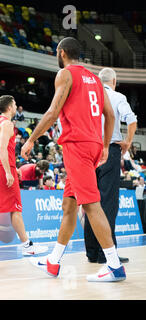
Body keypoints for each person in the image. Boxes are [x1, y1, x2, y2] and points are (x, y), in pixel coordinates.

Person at [21, 37, 126, 282]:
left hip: (77, 146)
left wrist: (31, 139)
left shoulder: (66, 74)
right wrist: (104, 146)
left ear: (62, 52)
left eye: (56, 53)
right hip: (92, 145)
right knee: (69, 205)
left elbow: (52, 111)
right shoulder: (96, 81)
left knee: (90, 204)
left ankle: (114, 265)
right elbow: (110, 115)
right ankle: (53, 261)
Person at [0, 95, 47, 258]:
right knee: (15, 208)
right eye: (15, 104)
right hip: (1, 169)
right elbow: (2, 149)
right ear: (9, 107)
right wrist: (8, 171)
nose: (16, 107)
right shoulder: (7, 123)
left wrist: (12, 168)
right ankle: (26, 245)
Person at [84, 67, 137, 264]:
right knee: (108, 203)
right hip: (110, 149)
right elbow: (131, 120)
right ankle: (106, 253)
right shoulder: (117, 96)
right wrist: (128, 142)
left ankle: (91, 252)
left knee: (90, 202)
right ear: (113, 81)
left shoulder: (89, 96)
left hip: (88, 151)